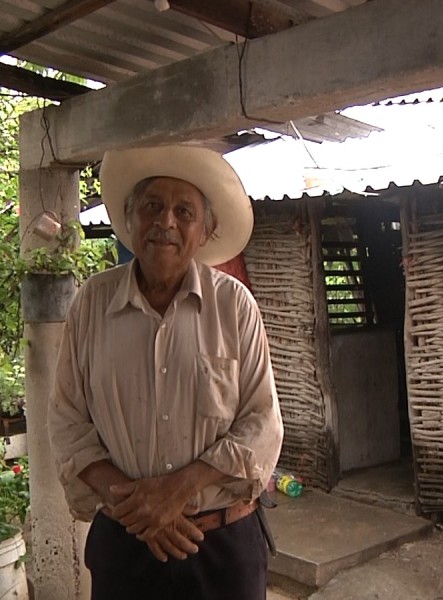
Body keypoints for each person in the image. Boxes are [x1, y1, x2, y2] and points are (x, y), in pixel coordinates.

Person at [48, 145, 284, 600]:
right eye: (152, 205)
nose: (166, 221)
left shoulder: (234, 307)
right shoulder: (91, 304)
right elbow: (67, 422)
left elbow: (262, 425)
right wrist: (139, 507)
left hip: (221, 548)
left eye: (184, 211)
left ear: (207, 230)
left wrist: (179, 490)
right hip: (125, 546)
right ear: (130, 216)